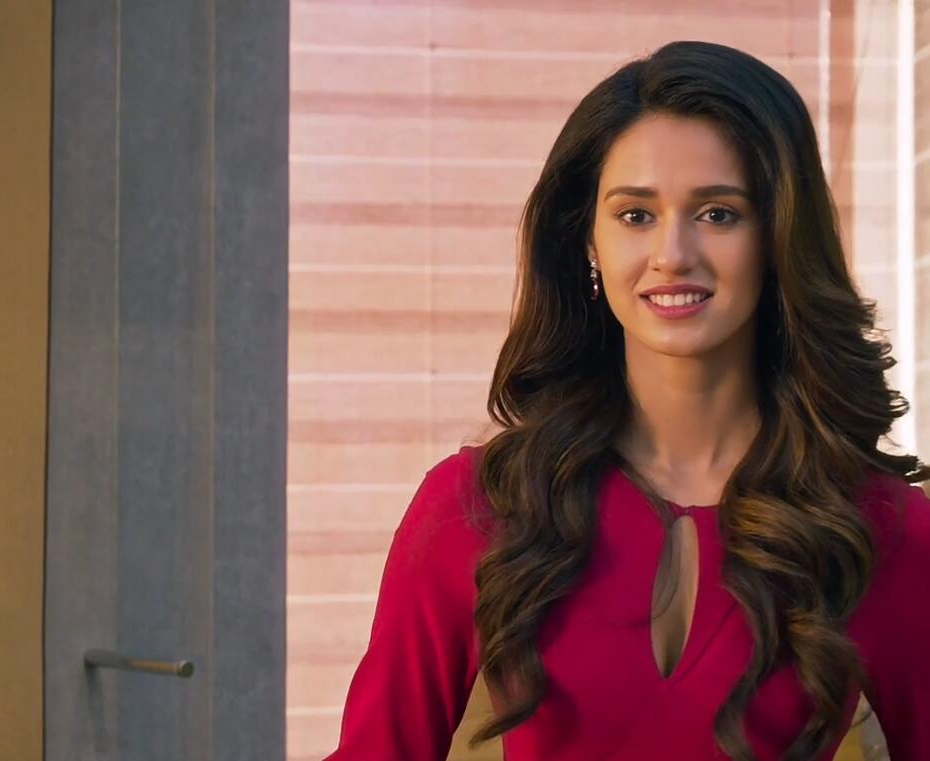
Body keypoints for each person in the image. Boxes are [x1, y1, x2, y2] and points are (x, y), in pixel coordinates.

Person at [324, 40, 930, 761]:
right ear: (588, 239)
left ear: (778, 238)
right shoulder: (474, 507)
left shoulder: (881, 528)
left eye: (718, 213)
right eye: (635, 215)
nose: (672, 254)